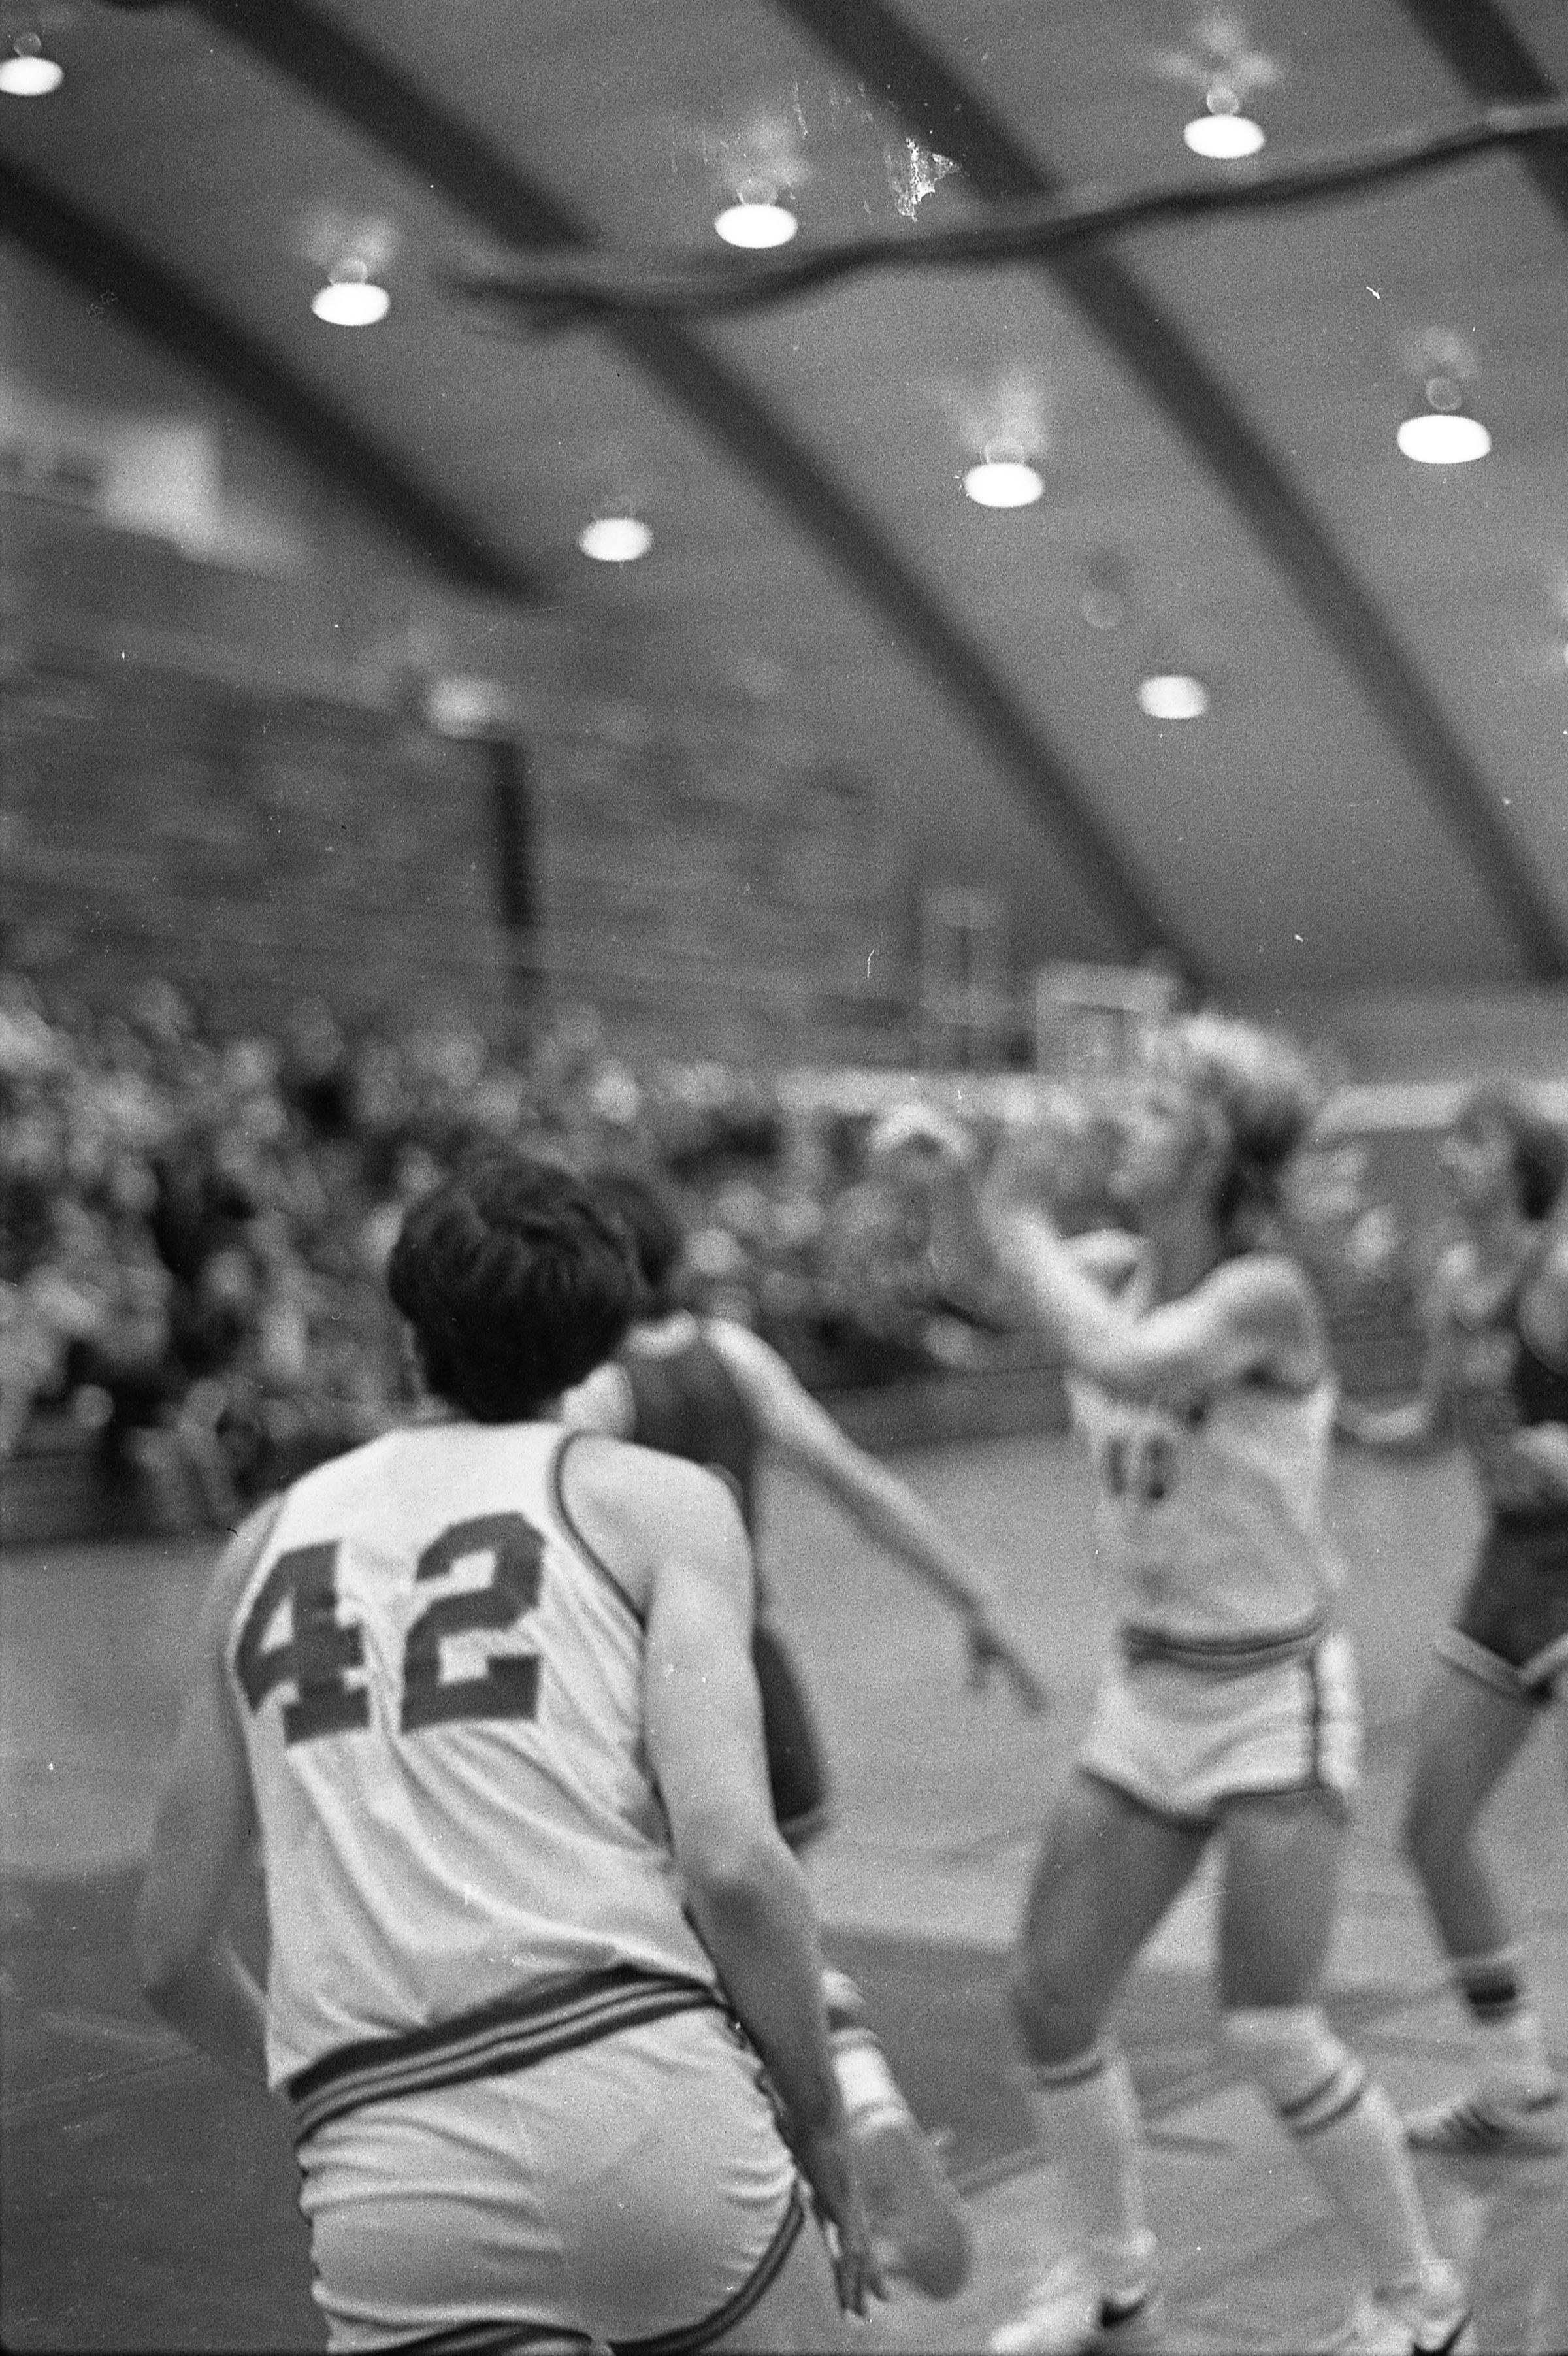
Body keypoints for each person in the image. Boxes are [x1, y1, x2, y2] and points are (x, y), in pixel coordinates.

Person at [134, 1150, 881, 2353]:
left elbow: (172, 1953)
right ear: (594, 1347)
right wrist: (824, 2117)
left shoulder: (262, 1543)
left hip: (386, 2165)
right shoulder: (662, 1501)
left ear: (408, 1328)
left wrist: (342, 2095)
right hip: (635, 2097)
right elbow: (735, 1864)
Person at [916, 1013, 1471, 2356]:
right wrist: (953, 1188)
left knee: (1274, 2026)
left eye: (1160, 1105)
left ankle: (1421, 2296)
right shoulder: (1115, 1265)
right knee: (1050, 1997)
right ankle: (1116, 2285)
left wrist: (1017, 1218)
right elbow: (978, 1284)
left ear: (1218, 1147)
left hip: (1273, 1696)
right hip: (1151, 1693)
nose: (1131, 1120)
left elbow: (1129, 1362)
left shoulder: (1262, 1295)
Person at [563, 1162, 1048, 2301]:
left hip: (654, 1704)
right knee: (775, 1928)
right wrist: (973, 1593)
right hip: (760, 1684)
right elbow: (857, 1480)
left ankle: (782, 2170)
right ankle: (861, 2093)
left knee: (674, 1954)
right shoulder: (734, 1356)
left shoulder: (589, 1394)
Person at [1339, 1084, 1567, 2157]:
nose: (1450, 1154)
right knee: (1432, 1827)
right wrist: (1329, 1418)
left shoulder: (1556, 1274)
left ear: (1525, 1162)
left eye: (1476, 1137)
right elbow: (1432, 1428)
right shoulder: (1454, 1282)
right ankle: (1515, 2077)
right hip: (1511, 1570)